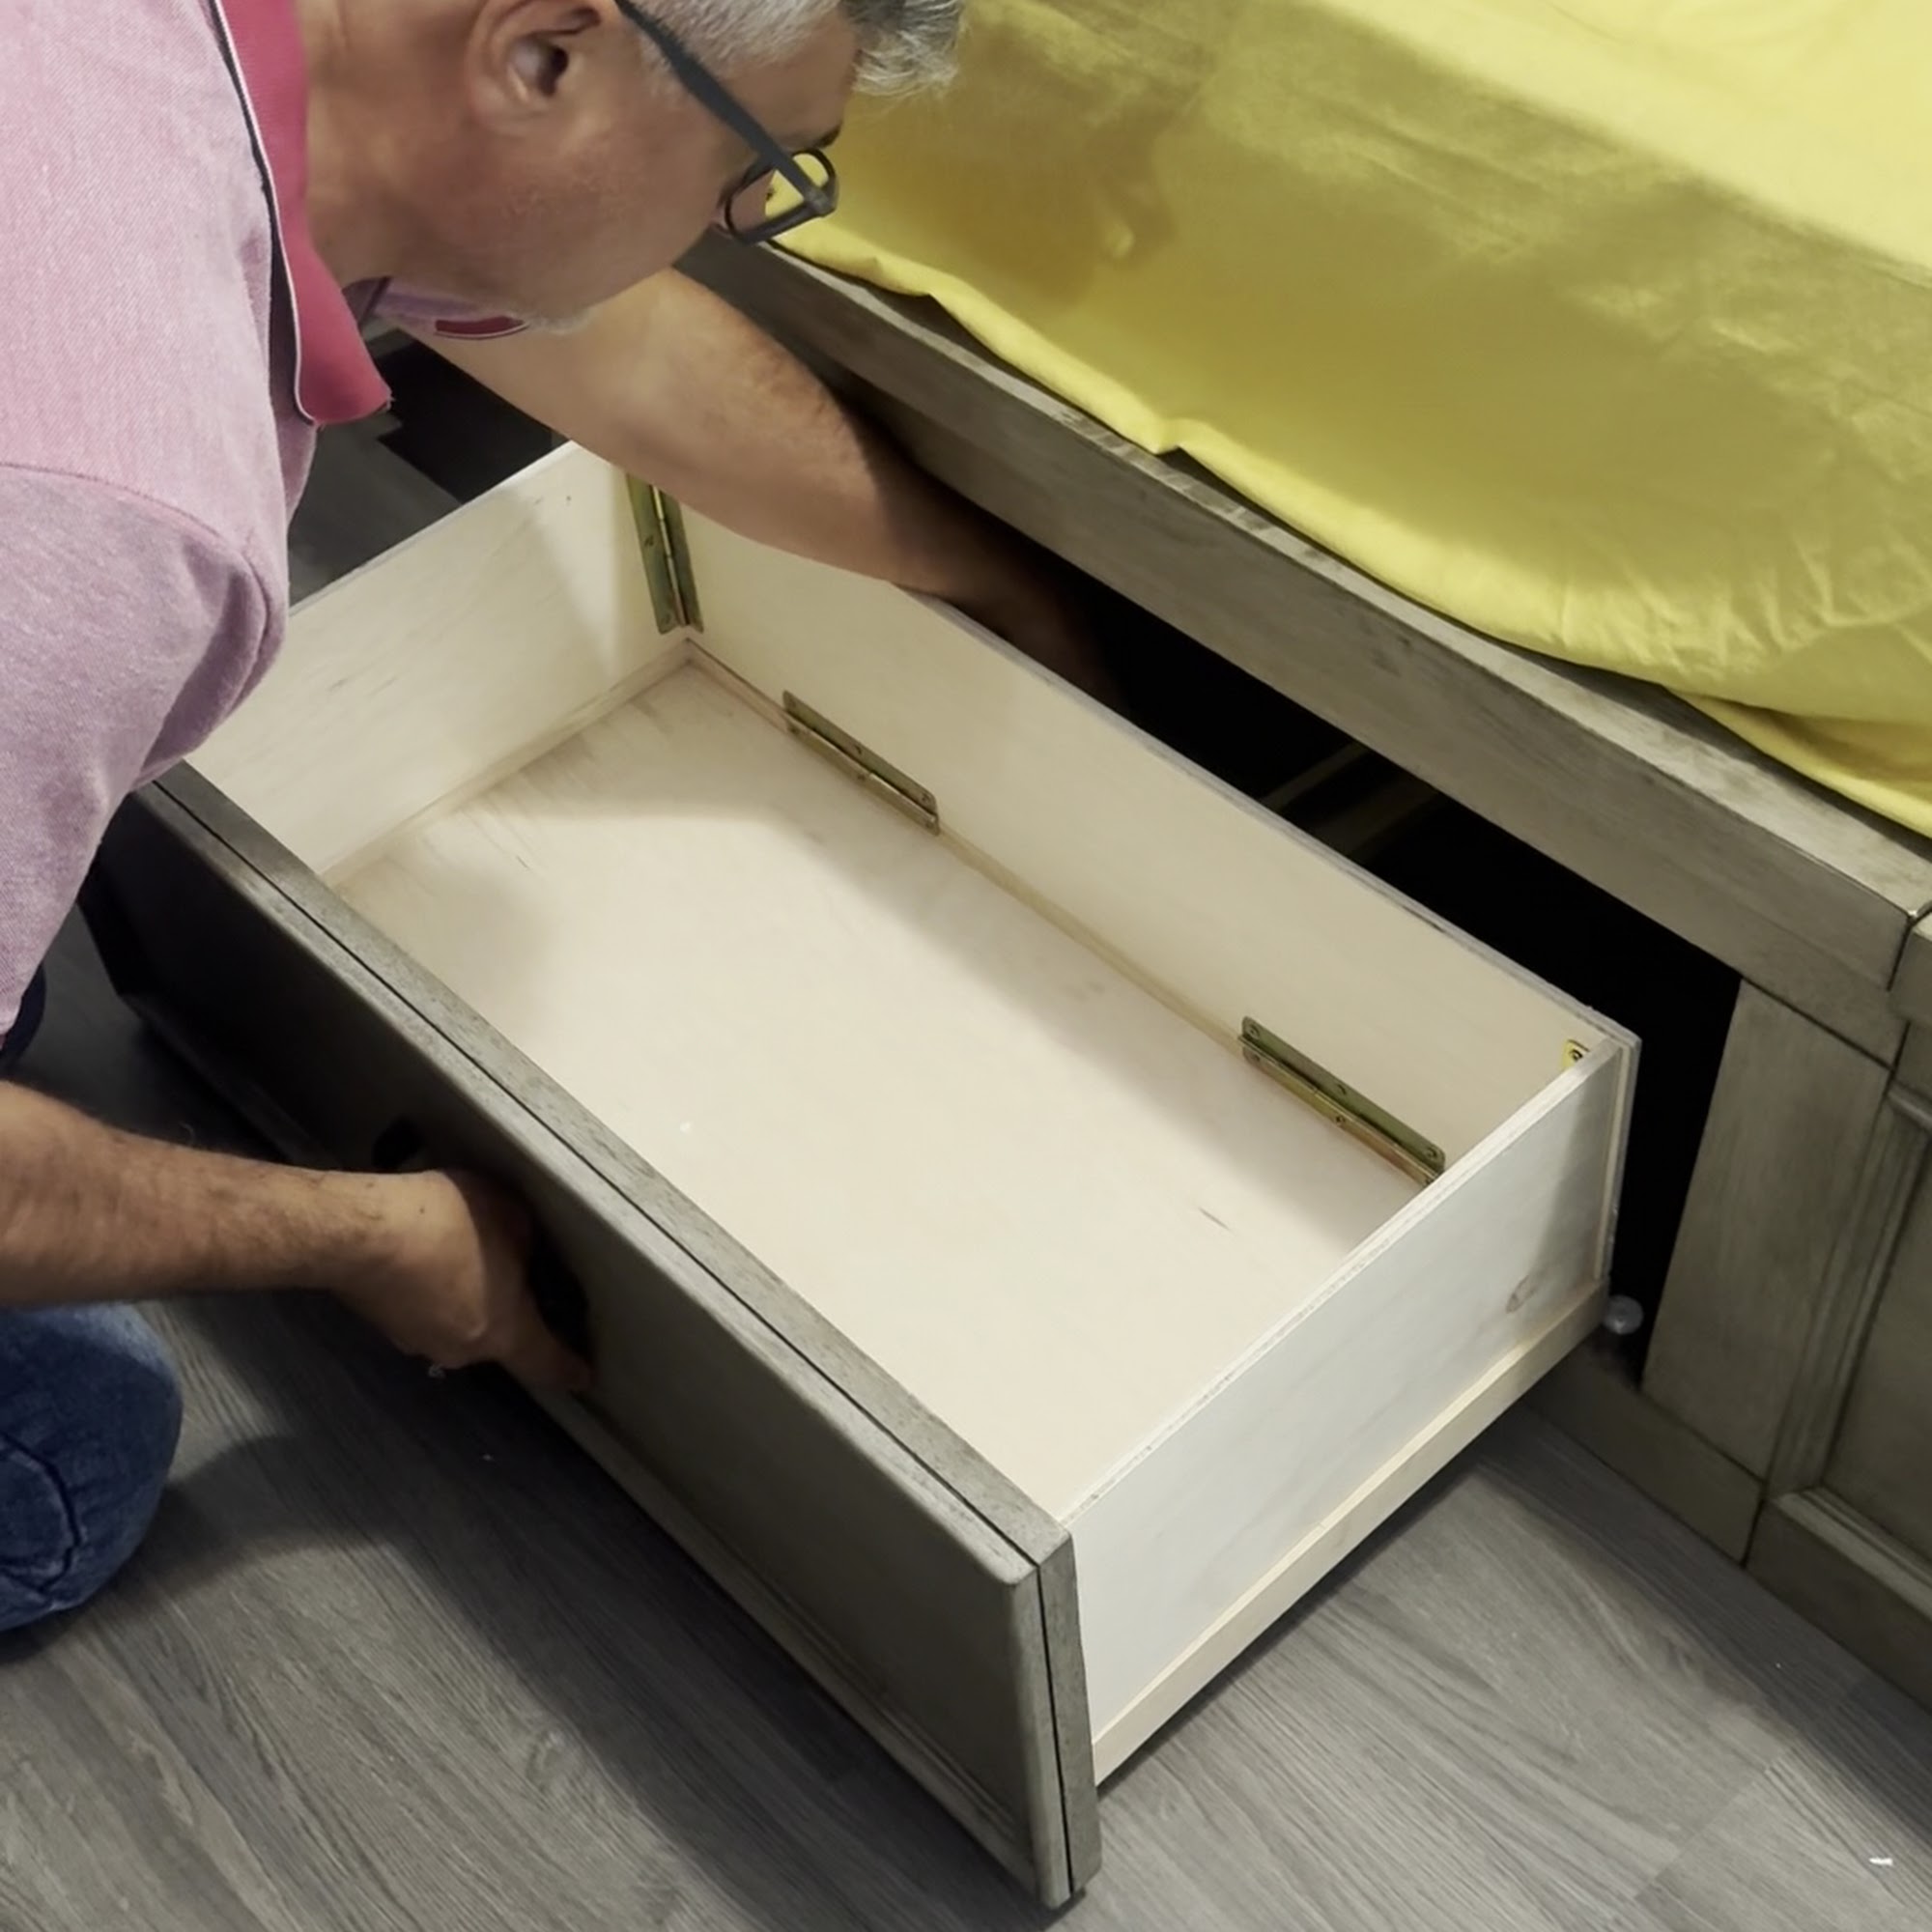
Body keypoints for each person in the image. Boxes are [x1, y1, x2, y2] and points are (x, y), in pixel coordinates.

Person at [0, 0, 1087, 1634]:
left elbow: (627, 358)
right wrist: (368, 1237)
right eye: (757, 167)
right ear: (544, 59)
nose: (741, 218)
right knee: (70, 1455)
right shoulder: (111, 512)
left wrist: (1007, 594)